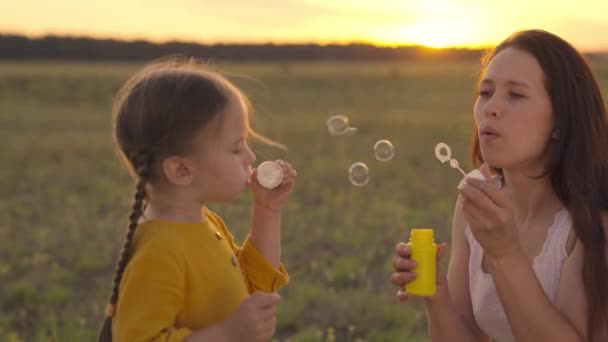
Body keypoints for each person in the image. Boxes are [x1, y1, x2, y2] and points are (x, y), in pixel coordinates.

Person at [391, 29, 608, 341]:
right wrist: (437, 295)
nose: (491, 108)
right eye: (485, 92)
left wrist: (504, 252)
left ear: (561, 120)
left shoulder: (591, 226)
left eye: (516, 94)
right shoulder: (478, 194)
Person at [97, 58, 297, 342]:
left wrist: (267, 211)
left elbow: (254, 286)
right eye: (236, 148)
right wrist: (227, 334)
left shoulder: (204, 223)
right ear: (182, 170)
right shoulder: (160, 253)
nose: (251, 158)